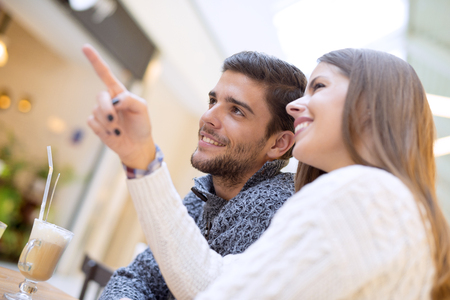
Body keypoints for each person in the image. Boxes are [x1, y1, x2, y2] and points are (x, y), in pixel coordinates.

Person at [121, 48, 450, 299]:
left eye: (318, 87)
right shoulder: (384, 202)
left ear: (369, 106)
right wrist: (141, 159)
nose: (295, 107)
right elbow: (211, 279)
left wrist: (144, 161)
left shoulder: (364, 194)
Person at [83, 45, 307, 299]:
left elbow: (209, 291)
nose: (208, 117)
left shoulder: (276, 206)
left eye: (236, 110)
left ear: (278, 144)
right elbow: (138, 277)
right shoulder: (204, 194)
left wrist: (141, 159)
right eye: (213, 101)